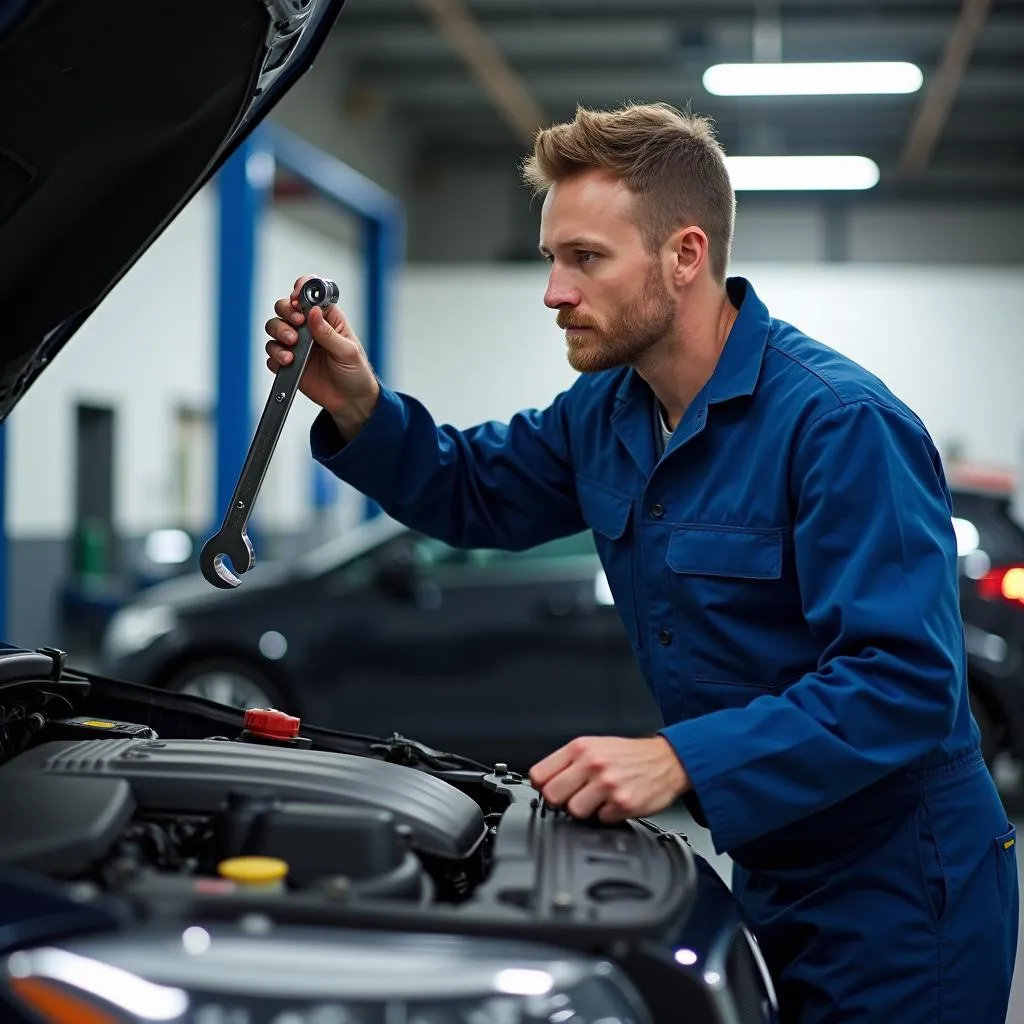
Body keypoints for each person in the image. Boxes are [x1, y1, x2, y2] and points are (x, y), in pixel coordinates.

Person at [264, 102, 1018, 1023]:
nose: (553, 292)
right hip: (772, 862)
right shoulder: (610, 414)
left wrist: (679, 760)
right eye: (551, 258)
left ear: (685, 256)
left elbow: (902, 683)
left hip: (903, 886)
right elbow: (473, 490)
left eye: (585, 258)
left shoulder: (839, 424)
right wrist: (359, 403)